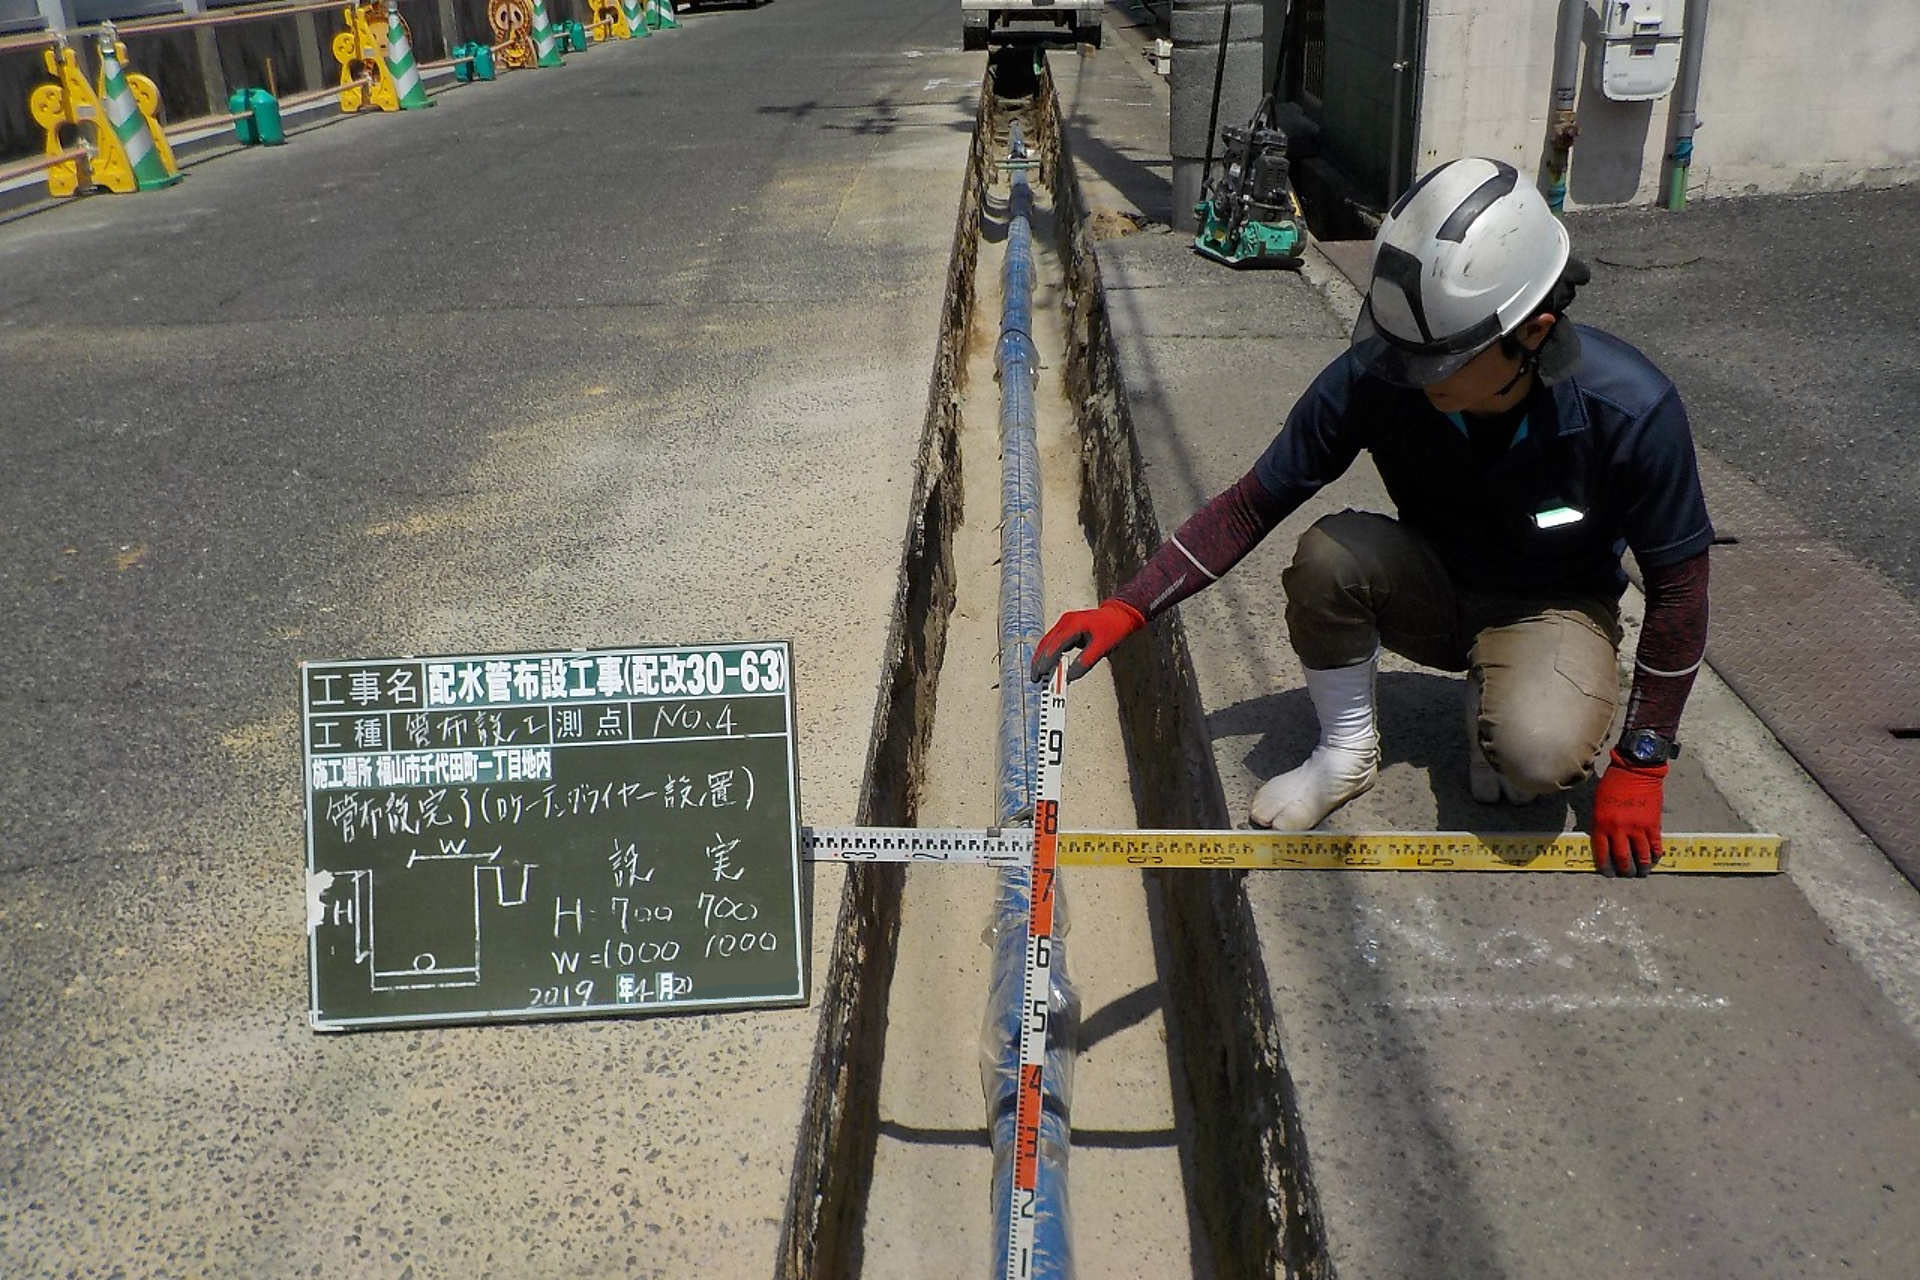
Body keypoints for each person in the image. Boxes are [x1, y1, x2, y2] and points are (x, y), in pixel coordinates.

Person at [1031, 157, 1712, 878]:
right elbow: (1253, 503)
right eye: (1403, 355)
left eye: (1438, 361)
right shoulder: (1383, 376)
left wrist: (1642, 759)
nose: (1412, 376)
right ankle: (1346, 751)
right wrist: (1129, 606)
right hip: (1433, 583)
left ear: (1534, 333)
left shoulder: (1630, 412)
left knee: (1536, 761)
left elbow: (1680, 591)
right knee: (1331, 554)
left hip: (1554, 607)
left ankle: (1506, 693)